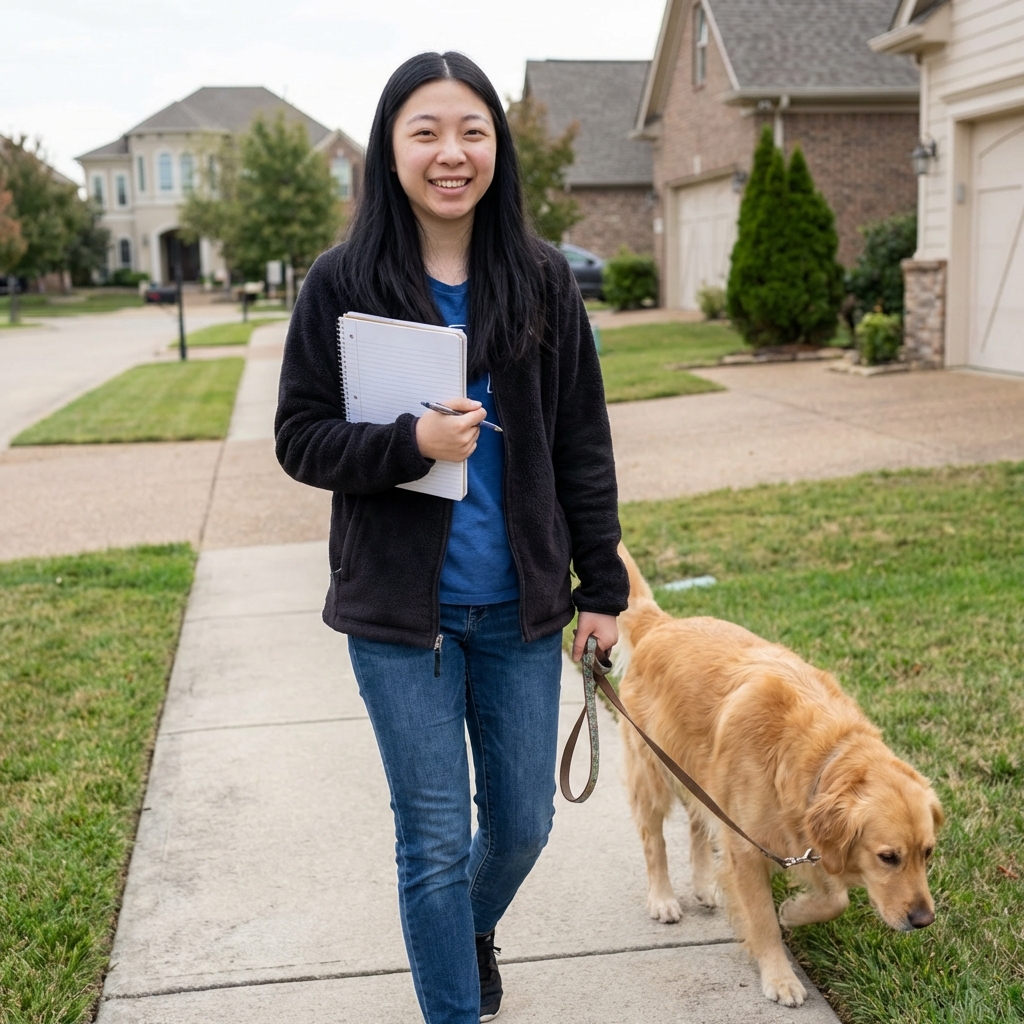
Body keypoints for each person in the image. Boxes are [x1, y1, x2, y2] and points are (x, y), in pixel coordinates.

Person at [275, 50, 628, 1024]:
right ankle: (452, 1006)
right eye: (424, 130)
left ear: (497, 149)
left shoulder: (543, 281)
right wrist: (409, 444)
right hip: (402, 619)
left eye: (471, 130)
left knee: (520, 823)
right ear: (390, 150)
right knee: (430, 837)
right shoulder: (342, 283)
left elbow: (581, 445)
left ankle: (462, 930)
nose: (450, 152)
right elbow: (299, 438)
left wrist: (603, 589)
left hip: (518, 609)